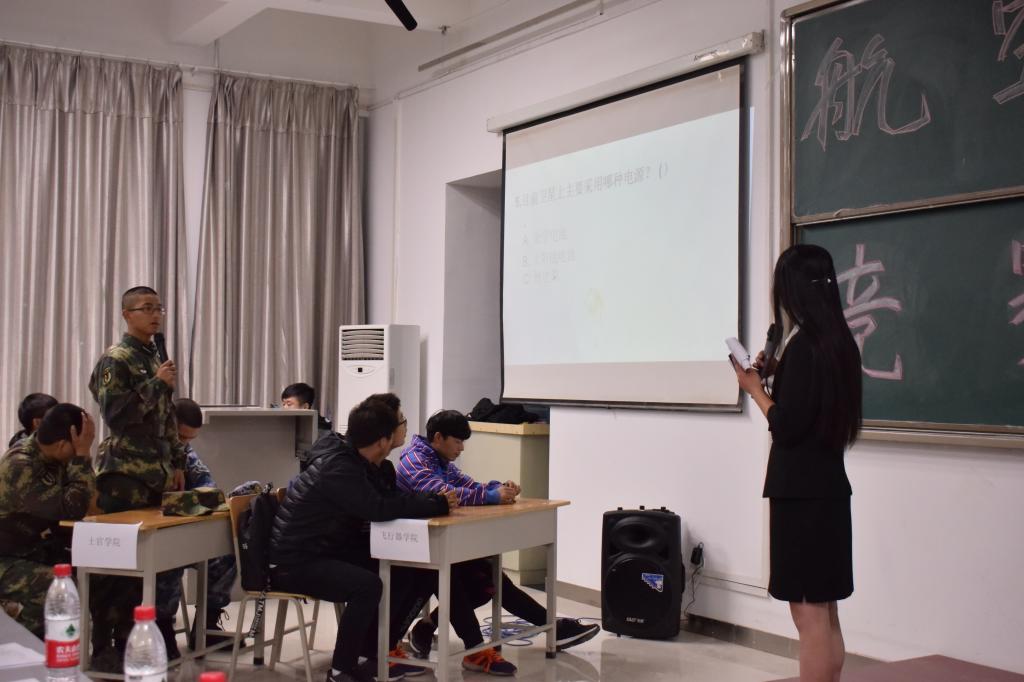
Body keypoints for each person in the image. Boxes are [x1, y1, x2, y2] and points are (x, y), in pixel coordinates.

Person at [730, 244, 862, 682]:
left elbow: (787, 426)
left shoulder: (806, 346)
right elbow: (811, 409)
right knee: (824, 610)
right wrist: (777, 373)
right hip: (827, 489)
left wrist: (755, 388)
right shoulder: (839, 343)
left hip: (801, 494)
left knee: (808, 615)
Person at [396, 410, 600, 676]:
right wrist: (491, 496)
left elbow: (469, 485)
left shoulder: (440, 459)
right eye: (457, 442)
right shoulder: (414, 460)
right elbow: (443, 494)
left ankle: (429, 628)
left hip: (441, 541)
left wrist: (499, 488)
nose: (461, 448)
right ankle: (477, 647)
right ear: (438, 438)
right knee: (474, 582)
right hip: (416, 548)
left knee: (490, 582)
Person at [270, 395, 455, 682]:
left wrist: (432, 501)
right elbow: (377, 508)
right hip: (296, 561)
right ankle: (341, 670)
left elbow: (389, 501)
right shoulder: (339, 466)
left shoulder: (362, 462)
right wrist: (435, 503)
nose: (405, 428)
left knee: (413, 569)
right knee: (367, 585)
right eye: (400, 423)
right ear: (382, 440)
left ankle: (374, 653)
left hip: (328, 549)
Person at [87, 285, 186, 665]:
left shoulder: (154, 356)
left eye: (159, 308)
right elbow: (116, 415)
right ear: (127, 314)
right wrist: (156, 383)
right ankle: (104, 647)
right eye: (147, 308)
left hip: (155, 473)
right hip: (124, 475)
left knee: (145, 567)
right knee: (116, 568)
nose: (156, 315)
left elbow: (166, 416)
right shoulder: (117, 359)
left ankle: (134, 640)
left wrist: (177, 461)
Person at [0, 404, 96, 638]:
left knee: (103, 571)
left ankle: (104, 646)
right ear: (62, 445)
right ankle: (21, 646)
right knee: (58, 586)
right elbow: (72, 509)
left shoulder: (55, 457)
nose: (79, 452)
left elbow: (92, 502)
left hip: (34, 549)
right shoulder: (20, 464)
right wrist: (82, 457)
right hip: (7, 556)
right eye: (78, 446)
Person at [154, 399, 239, 657]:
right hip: (152, 537)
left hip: (178, 531)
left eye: (190, 439)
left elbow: (208, 487)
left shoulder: (185, 454)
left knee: (228, 554)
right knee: (170, 559)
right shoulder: (148, 451)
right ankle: (162, 627)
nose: (184, 444)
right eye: (181, 437)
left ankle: (206, 625)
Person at [281, 382, 333, 469]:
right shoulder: (289, 425)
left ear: (305, 407)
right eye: (283, 404)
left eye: (289, 404)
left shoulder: (320, 432)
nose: (284, 408)